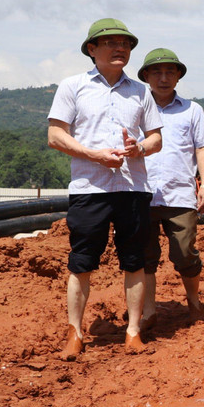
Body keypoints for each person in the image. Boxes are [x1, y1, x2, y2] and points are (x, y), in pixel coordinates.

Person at [47, 18, 163, 361]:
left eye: (125, 44)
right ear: (92, 50)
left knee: (135, 261)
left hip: (133, 188)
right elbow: (55, 136)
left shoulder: (141, 91)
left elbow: (156, 138)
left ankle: (133, 331)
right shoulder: (73, 86)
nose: (120, 49)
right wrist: (94, 155)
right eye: (111, 43)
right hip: (90, 188)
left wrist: (139, 148)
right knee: (81, 261)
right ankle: (76, 332)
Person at [137, 48, 204, 326]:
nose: (164, 77)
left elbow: (202, 149)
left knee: (184, 253)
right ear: (146, 76)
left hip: (179, 194)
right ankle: (148, 311)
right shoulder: (136, 108)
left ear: (179, 77)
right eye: (157, 72)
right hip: (141, 194)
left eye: (170, 72)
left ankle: (193, 300)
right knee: (145, 256)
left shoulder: (192, 110)